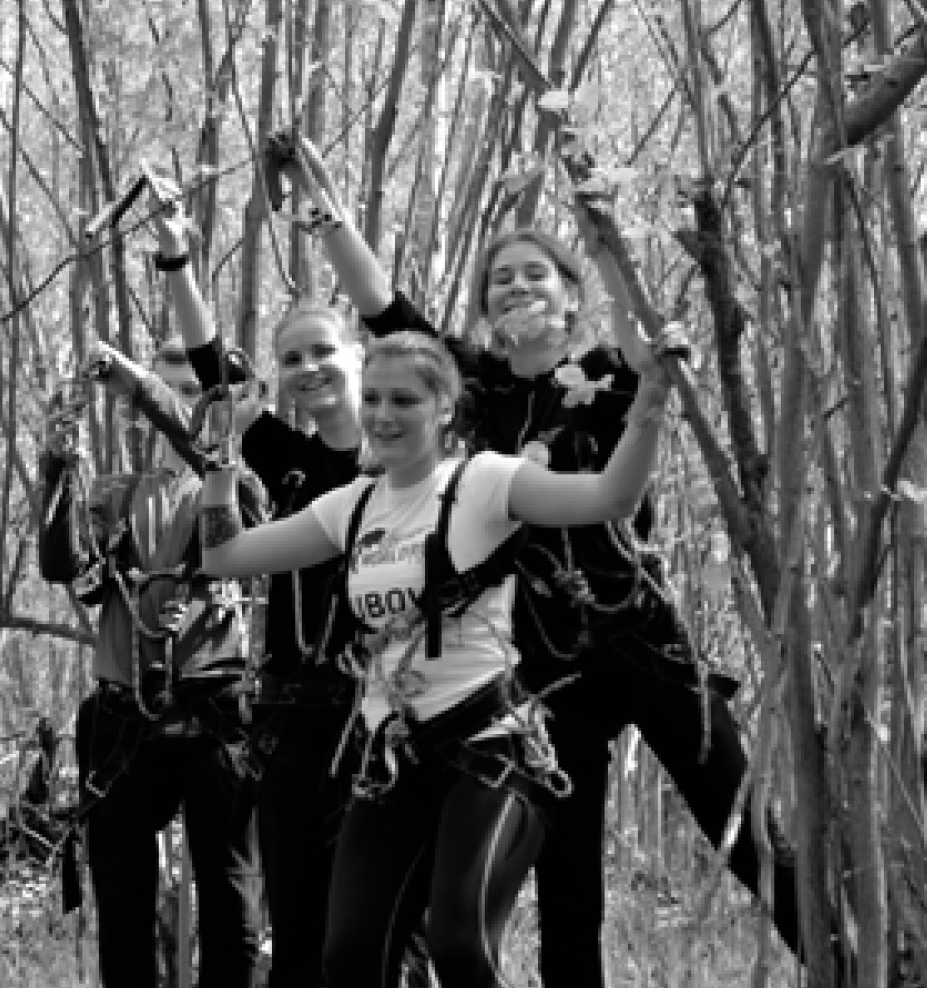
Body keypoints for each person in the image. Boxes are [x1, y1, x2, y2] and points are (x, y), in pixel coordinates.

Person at [272, 132, 801, 988]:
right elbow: (384, 310)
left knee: (756, 845)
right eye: (500, 279)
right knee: (568, 897)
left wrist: (600, 229)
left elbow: (643, 348)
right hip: (550, 675)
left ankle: (850, 958)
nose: (516, 287)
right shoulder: (475, 390)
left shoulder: (609, 373)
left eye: (536, 274)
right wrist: (327, 212)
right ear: (485, 309)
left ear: (570, 295)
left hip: (647, 647)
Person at [199, 322, 678, 988]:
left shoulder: (485, 482)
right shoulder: (351, 507)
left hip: (489, 750)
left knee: (459, 945)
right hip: (394, 762)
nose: (383, 416)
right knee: (348, 960)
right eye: (373, 399)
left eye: (404, 401)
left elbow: (610, 496)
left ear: (445, 408)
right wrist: (219, 463)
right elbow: (224, 555)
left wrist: (650, 398)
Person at [149, 203, 440, 988]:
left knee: (385, 939)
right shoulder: (288, 461)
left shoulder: (416, 461)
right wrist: (177, 263)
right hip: (289, 722)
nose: (308, 369)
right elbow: (213, 370)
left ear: (360, 356)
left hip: (388, 720)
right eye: (292, 359)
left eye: (322, 352)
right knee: (299, 937)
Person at [38, 340, 267, 988]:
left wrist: (141, 386)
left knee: (232, 900)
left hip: (214, 719)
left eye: (195, 393)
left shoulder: (239, 490)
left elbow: (243, 518)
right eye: (172, 391)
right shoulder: (115, 495)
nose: (181, 407)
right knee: (122, 905)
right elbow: (62, 566)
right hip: (124, 723)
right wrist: (56, 469)